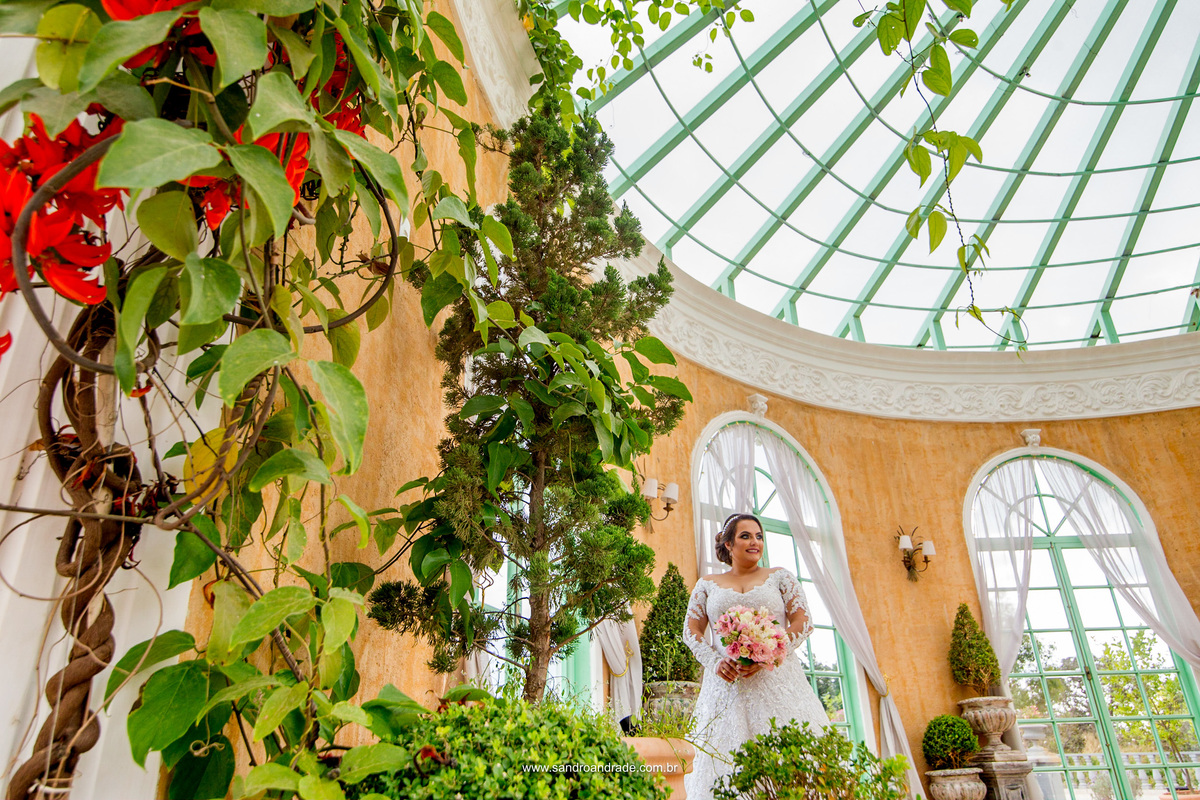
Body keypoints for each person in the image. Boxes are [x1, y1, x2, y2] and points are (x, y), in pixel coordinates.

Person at [682, 513, 830, 800]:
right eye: (745, 536)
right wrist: (715, 661)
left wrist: (768, 654)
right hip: (726, 684)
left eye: (759, 536)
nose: (755, 542)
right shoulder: (707, 584)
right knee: (726, 765)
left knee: (790, 764)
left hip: (777, 680)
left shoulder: (780, 577)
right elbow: (691, 630)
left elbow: (803, 622)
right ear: (728, 544)